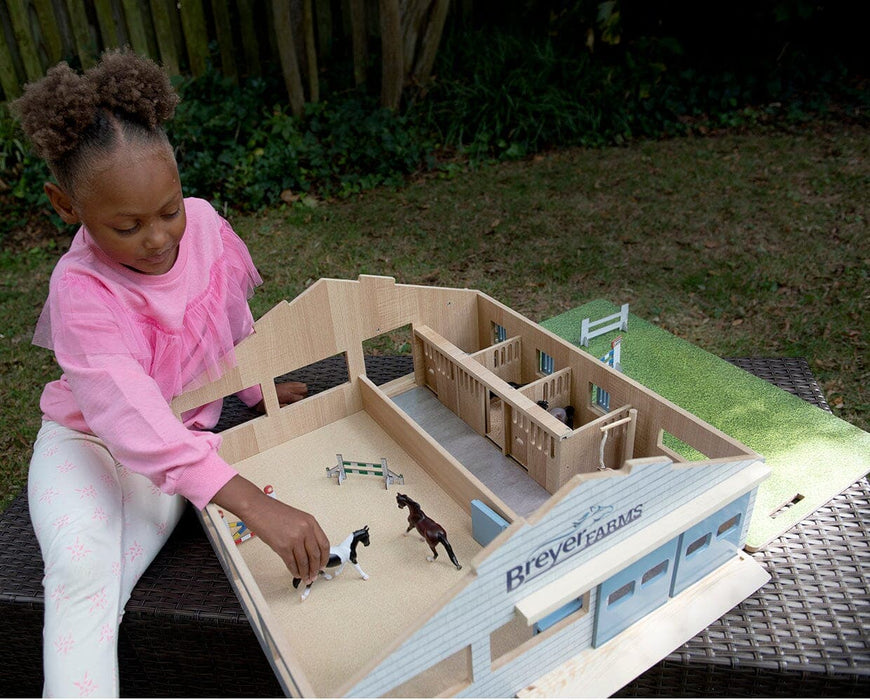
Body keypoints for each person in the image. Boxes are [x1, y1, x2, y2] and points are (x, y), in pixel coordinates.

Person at [13, 49, 330, 697]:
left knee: (107, 580)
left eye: (167, 211)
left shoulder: (207, 225)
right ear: (65, 205)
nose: (158, 239)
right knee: (80, 569)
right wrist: (252, 504)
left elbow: (224, 321)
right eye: (126, 226)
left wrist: (253, 388)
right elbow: (128, 419)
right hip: (87, 444)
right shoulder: (80, 290)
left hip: (172, 452)